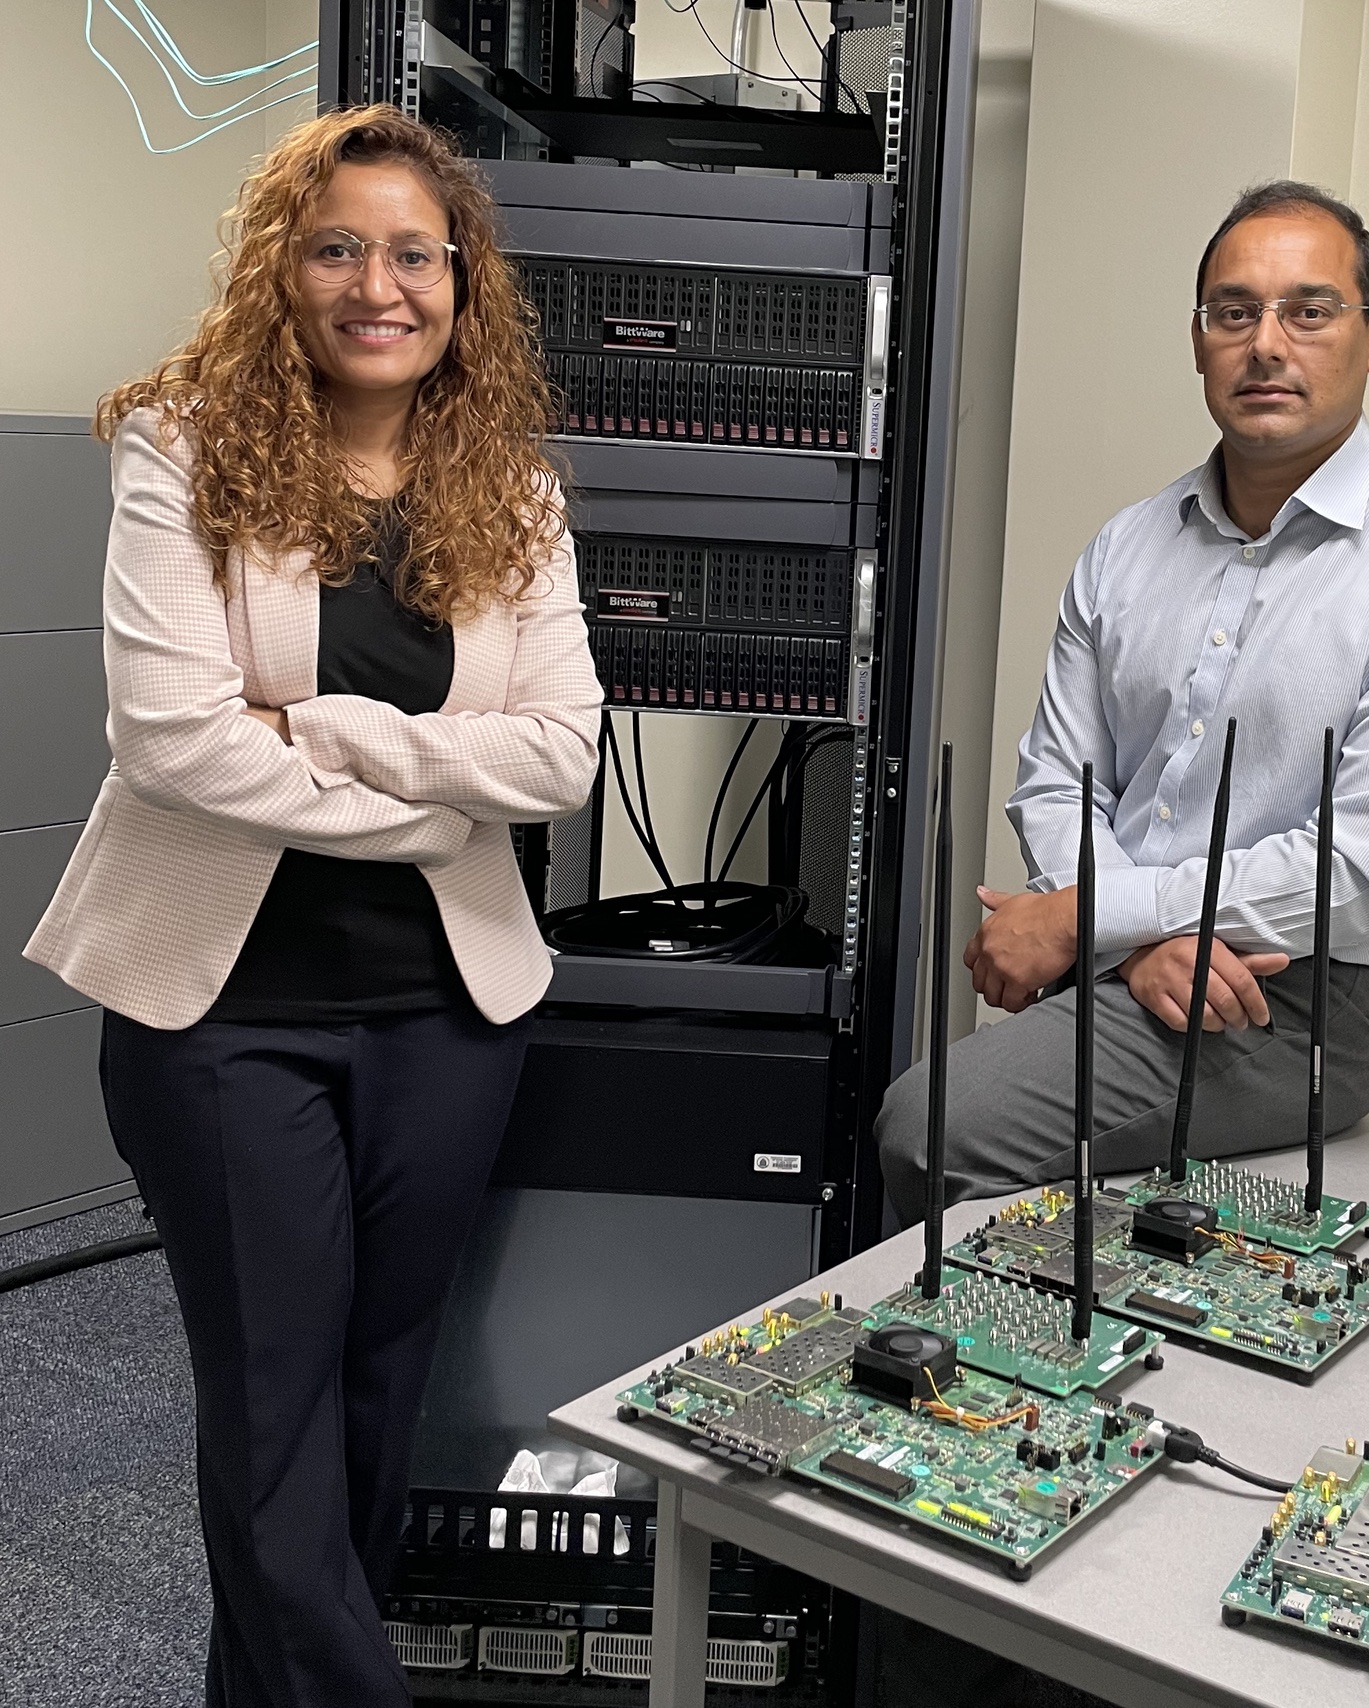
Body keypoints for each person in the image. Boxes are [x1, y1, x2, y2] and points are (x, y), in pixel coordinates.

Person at [25, 106, 603, 1705]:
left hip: (444, 1019)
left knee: (366, 1406)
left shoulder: (515, 492)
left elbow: (559, 751)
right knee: (273, 1414)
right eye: (337, 244)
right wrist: (434, 804)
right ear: (281, 266)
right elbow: (172, 740)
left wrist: (330, 736)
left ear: (462, 284)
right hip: (224, 1021)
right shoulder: (183, 444)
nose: (378, 284)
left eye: (416, 253)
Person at [877, 180, 1369, 1228]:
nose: (1267, 343)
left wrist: (1091, 918)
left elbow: (1354, 874)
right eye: (1234, 312)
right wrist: (1135, 946)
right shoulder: (1125, 549)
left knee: (931, 1119)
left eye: (1308, 311)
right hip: (1129, 955)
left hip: (1304, 993)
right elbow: (1056, 779)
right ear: (1197, 339)